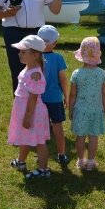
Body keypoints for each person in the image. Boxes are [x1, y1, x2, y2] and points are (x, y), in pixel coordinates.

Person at [7, 35, 52, 179]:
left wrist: (27, 117)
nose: (19, 54)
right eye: (19, 51)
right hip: (25, 112)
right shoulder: (28, 68)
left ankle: (44, 170)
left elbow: (33, 99)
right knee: (24, 138)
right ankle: (21, 162)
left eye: (23, 52)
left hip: (33, 113)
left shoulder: (35, 75)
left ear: (35, 55)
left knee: (40, 142)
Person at [69, 37, 105, 171]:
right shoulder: (102, 74)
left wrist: (70, 109)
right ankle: (91, 162)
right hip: (97, 110)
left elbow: (72, 94)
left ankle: (81, 161)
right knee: (93, 137)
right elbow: (104, 95)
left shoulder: (76, 74)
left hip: (80, 110)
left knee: (80, 137)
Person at [37, 25, 70, 166]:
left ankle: (41, 156)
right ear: (55, 43)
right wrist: (67, 97)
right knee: (58, 128)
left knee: (40, 128)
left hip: (38, 99)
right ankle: (61, 155)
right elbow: (63, 80)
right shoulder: (58, 58)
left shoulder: (34, 58)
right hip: (55, 99)